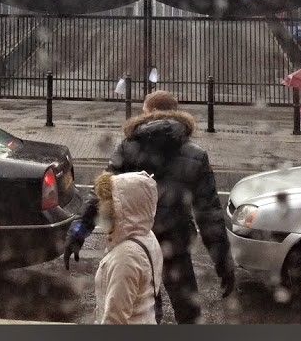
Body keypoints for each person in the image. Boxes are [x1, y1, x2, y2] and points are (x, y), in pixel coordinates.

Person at [64, 90, 235, 324]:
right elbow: (209, 213)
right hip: (176, 243)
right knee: (189, 313)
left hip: (136, 240)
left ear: (151, 112)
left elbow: (102, 192)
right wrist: (224, 262)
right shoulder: (196, 155)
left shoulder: (129, 148)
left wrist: (77, 232)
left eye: (143, 110)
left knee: (145, 308)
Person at [92, 170, 164, 324]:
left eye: (109, 201)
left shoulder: (126, 257)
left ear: (122, 208)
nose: (101, 208)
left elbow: (115, 320)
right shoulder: (147, 236)